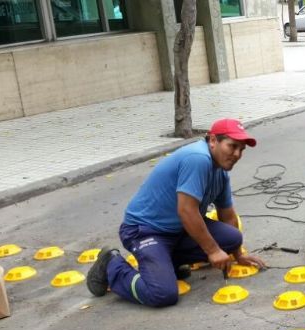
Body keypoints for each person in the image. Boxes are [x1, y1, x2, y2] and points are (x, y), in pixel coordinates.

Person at [86, 118, 267, 307]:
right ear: (213, 140)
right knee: (162, 294)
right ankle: (111, 265)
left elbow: (227, 215)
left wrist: (237, 254)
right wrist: (213, 251)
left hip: (178, 230)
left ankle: (168, 260)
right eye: (232, 146)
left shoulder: (220, 171)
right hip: (145, 230)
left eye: (241, 149)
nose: (237, 154)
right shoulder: (198, 158)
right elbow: (187, 210)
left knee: (232, 238)